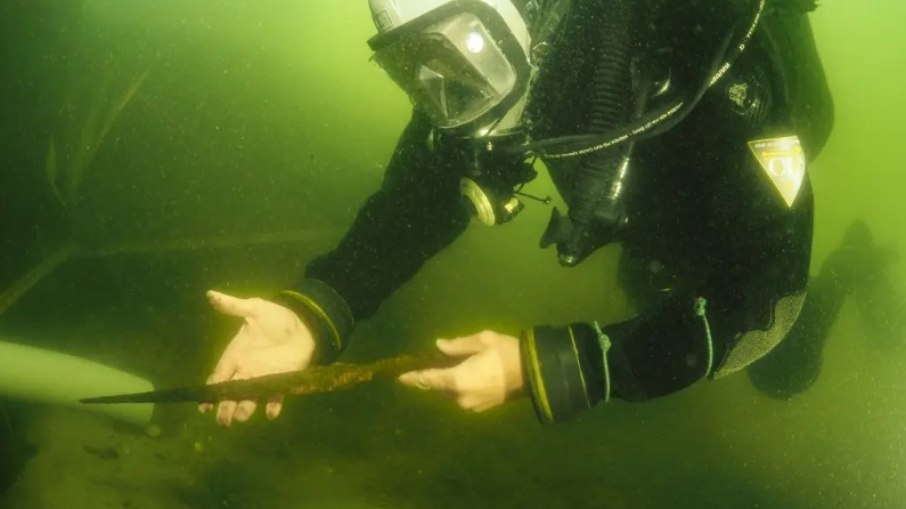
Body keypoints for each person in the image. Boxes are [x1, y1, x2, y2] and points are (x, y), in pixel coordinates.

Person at [200, 0, 869, 427]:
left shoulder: (700, 52)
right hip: (639, 185)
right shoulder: (477, 66)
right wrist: (319, 305)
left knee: (780, 372)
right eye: (416, 66)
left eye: (457, 57)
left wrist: (559, 367)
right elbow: (424, 191)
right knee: (651, 287)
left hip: (731, 164)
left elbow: (767, 299)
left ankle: (853, 266)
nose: (445, 93)